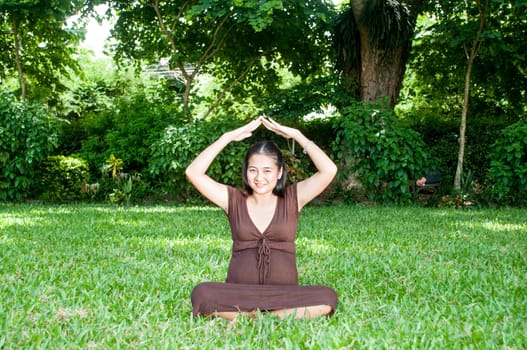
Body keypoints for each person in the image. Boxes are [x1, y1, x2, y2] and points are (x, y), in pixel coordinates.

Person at [185, 116, 338, 322]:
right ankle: (266, 317)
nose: (259, 178)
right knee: (201, 293)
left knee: (327, 297)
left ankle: (256, 318)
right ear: (245, 171)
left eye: (267, 171)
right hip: (239, 293)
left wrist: (297, 135)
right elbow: (193, 172)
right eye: (253, 170)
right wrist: (227, 137)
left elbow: (329, 170)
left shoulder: (294, 197)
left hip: (283, 296)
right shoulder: (232, 199)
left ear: (279, 173)